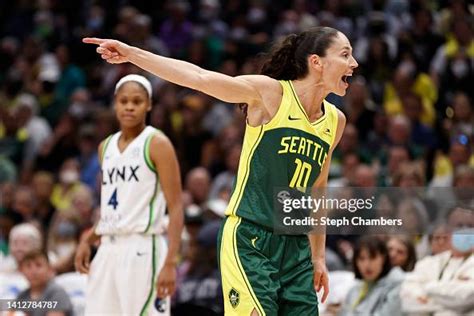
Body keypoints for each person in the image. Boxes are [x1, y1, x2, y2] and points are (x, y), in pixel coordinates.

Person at [84, 25, 356, 315]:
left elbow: (318, 190)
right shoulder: (271, 94)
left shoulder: (335, 121)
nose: (353, 63)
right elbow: (200, 78)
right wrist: (132, 54)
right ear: (317, 62)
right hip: (251, 237)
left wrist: (318, 256)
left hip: (296, 248)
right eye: (345, 54)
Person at [74, 74, 184, 315]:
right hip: (107, 247)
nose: (130, 107)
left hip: (143, 247)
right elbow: (115, 205)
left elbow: (176, 206)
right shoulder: (105, 147)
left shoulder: (156, 143)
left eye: (137, 101)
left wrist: (170, 263)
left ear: (149, 105)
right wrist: (89, 238)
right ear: (115, 103)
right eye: (124, 101)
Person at [339, 236, 404, 316]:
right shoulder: (356, 288)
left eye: (372, 258)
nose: (367, 265)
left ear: (383, 258)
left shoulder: (397, 283)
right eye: (362, 259)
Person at [16, 250, 74, 316]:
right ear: (21, 270)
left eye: (38, 265)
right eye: (28, 266)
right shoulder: (22, 296)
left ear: (49, 269)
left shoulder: (57, 293)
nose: (33, 271)